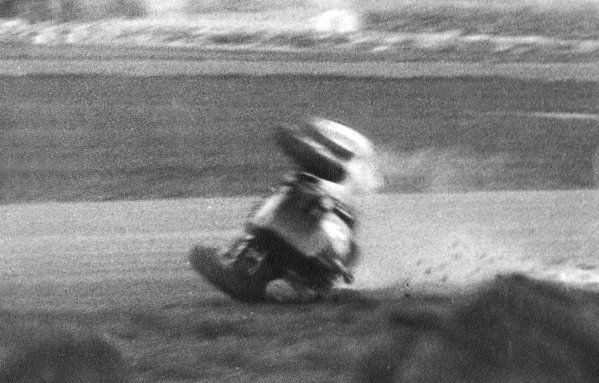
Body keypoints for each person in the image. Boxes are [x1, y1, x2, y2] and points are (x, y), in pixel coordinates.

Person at [190, 118, 381, 303]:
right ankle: (306, 284)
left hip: (326, 232)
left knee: (304, 195)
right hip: (313, 241)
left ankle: (309, 283)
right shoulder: (320, 184)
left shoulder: (340, 179)